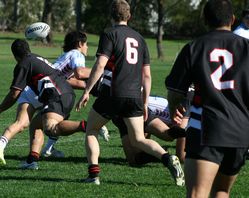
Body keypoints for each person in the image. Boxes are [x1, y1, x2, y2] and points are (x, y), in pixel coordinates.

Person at [76, 0, 184, 186]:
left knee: (92, 129)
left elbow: (101, 64)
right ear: (129, 16)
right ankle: (167, 158)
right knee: (139, 139)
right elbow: (147, 75)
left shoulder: (110, 34)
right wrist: (143, 102)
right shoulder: (140, 38)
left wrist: (87, 90)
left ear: (111, 16)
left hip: (112, 93)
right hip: (134, 95)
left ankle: (93, 175)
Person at [165, 0, 249, 197]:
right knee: (221, 191)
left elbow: (176, 92)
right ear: (233, 19)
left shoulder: (194, 47)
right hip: (240, 132)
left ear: (205, 20)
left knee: (197, 193)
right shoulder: (246, 47)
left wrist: (173, 109)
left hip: (207, 128)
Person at [0, 31, 109, 165]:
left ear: (15, 56)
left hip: (51, 92)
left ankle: (85, 127)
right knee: (38, 124)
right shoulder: (40, 57)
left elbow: (14, 94)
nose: (86, 47)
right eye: (85, 44)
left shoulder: (27, 63)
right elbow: (73, 77)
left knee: (45, 126)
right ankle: (32, 160)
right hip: (56, 91)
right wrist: (92, 84)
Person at [113, 95, 188, 167]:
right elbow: (181, 157)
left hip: (135, 107)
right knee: (166, 134)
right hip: (138, 106)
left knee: (133, 158)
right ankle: (159, 153)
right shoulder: (185, 115)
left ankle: (159, 154)